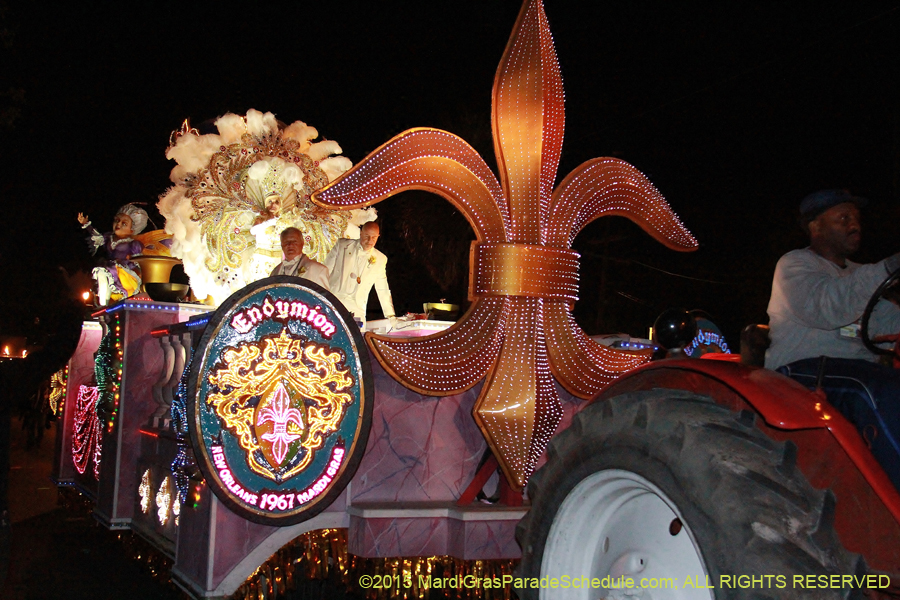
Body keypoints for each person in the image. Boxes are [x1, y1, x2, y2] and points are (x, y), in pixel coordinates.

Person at [766, 189, 900, 489]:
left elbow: (886, 321)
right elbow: (830, 307)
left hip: (853, 371)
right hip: (803, 372)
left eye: (856, 218)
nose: (855, 224)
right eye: (843, 217)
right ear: (816, 227)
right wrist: (888, 267)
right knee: (882, 390)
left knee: (879, 380)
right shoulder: (795, 265)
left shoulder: (858, 273)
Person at [324, 221, 396, 327]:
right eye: (367, 236)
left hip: (357, 308)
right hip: (334, 300)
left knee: (356, 336)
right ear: (361, 233)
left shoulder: (380, 259)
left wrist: (390, 316)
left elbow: (382, 289)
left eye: (374, 237)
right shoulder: (342, 245)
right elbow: (325, 271)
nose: (370, 241)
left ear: (378, 236)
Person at [77, 204, 147, 305]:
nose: (118, 224)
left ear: (132, 230)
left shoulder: (133, 244)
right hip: (110, 270)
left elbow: (140, 262)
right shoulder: (108, 238)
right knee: (101, 272)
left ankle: (105, 304)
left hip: (125, 275)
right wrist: (87, 224)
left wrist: (129, 260)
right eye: (117, 220)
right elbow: (97, 237)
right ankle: (103, 304)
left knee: (103, 272)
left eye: (124, 223)